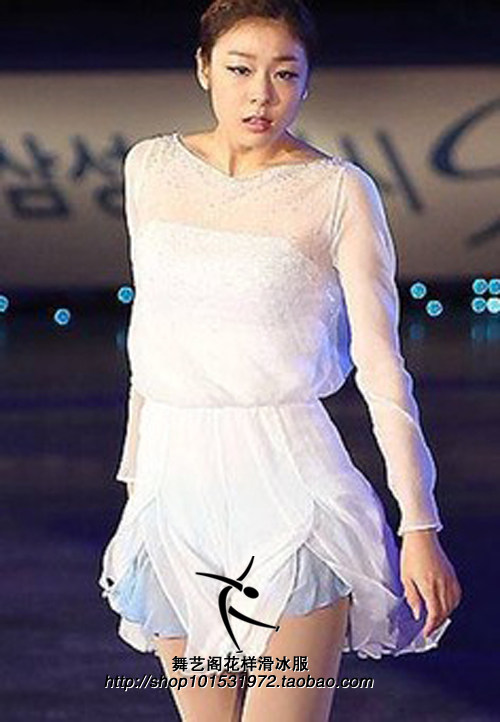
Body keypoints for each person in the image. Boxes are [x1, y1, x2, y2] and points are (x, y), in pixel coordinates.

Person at [98, 1, 462, 719]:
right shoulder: (151, 167)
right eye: (240, 69)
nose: (261, 94)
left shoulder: (336, 190)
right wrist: (137, 491)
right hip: (174, 492)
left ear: (307, 81)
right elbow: (153, 336)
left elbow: (381, 366)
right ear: (204, 69)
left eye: (285, 73)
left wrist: (420, 523)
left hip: (290, 488)